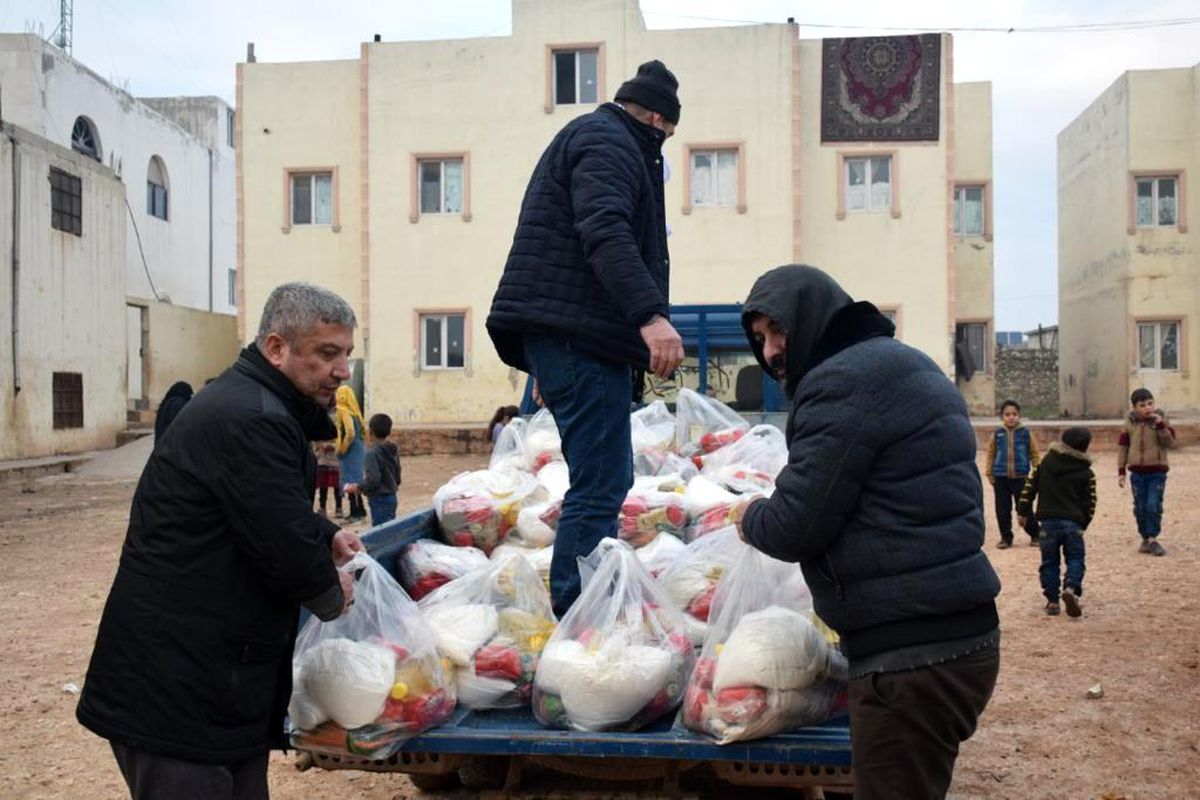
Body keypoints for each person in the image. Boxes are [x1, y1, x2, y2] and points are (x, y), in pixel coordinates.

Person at [76, 282, 363, 800]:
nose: (342, 371)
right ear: (277, 348)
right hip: (177, 692)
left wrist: (326, 533)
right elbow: (280, 542)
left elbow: (257, 506)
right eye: (327, 354)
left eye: (346, 355)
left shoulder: (258, 406)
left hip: (213, 683)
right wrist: (329, 588)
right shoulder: (251, 417)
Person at [733, 264, 1001, 800]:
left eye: (778, 331)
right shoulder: (905, 363)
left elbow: (793, 526)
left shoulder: (841, 382)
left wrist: (746, 517)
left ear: (812, 319)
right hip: (953, 638)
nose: (770, 352)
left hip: (911, 658)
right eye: (759, 339)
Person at [487, 59, 686, 616]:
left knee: (601, 477)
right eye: (665, 137)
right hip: (583, 341)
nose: (662, 148)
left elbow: (560, 263)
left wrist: (545, 368)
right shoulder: (611, 144)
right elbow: (604, 230)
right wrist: (650, 315)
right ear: (652, 118)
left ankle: (582, 602)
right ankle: (578, 613)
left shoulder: (597, 138)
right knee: (602, 481)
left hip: (569, 341)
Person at [1017, 427, 1096, 618]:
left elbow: (1029, 487)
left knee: (1049, 562)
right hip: (1073, 524)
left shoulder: (1045, 464)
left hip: (1048, 523)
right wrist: (1083, 522)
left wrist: (1022, 511)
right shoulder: (1086, 472)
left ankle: (1052, 601)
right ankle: (1070, 587)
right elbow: (1090, 501)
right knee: (1075, 559)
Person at [1118, 387, 1176, 556]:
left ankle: (1153, 538)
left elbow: (1170, 443)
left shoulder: (1161, 420)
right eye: (1142, 405)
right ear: (1134, 407)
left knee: (1153, 505)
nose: (1147, 408)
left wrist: (1160, 425)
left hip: (1157, 471)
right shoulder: (1129, 423)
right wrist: (1121, 470)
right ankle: (1144, 537)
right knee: (1140, 507)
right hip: (1137, 472)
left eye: (1150, 404)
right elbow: (1123, 447)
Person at [985, 399, 1042, 549]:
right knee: (1002, 509)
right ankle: (1006, 538)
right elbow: (991, 454)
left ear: (1019, 416)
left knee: (1024, 507)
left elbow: (1034, 454)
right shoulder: (997, 434)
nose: (1011, 417)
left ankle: (1036, 534)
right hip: (1000, 477)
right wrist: (989, 472)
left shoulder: (1026, 434)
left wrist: (1037, 472)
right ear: (1002, 417)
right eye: (1007, 414)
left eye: (1014, 414)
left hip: (1021, 477)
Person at [346, 413, 401, 527]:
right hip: (391, 497)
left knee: (381, 534)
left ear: (370, 431)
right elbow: (397, 475)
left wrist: (358, 488)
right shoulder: (393, 450)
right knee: (389, 529)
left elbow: (373, 479)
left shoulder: (372, 454)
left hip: (379, 499)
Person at [334, 385, 368, 523]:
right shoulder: (355, 412)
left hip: (351, 449)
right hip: (359, 448)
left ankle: (356, 513)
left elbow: (350, 432)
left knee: (350, 481)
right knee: (356, 480)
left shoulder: (343, 411)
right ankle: (360, 510)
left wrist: (342, 448)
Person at [312, 437, 343, 518]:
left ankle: (336, 508)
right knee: (325, 488)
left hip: (332, 462)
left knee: (335, 487)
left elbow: (340, 442)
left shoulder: (334, 429)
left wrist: (327, 445)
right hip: (326, 462)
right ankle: (326, 508)